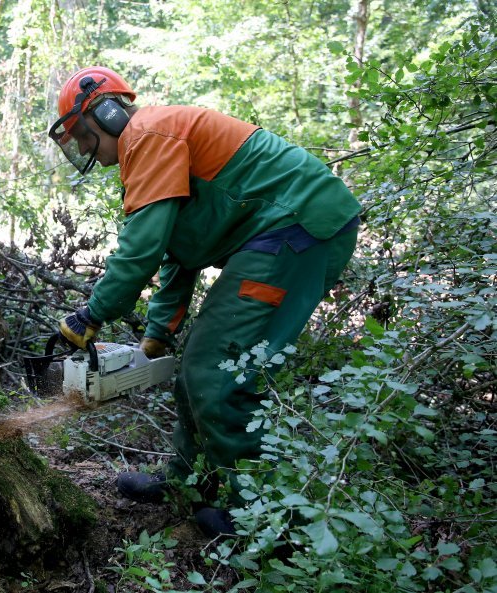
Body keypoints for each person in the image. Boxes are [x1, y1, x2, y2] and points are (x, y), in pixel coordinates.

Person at [49, 66, 361, 537]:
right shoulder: (151, 145)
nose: (88, 150)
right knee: (196, 364)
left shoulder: (148, 134)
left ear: (106, 115)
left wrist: (92, 313)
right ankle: (190, 482)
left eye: (84, 137)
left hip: (297, 228)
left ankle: (259, 516)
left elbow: (142, 250)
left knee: (219, 368)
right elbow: (178, 252)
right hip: (277, 232)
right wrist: (157, 334)